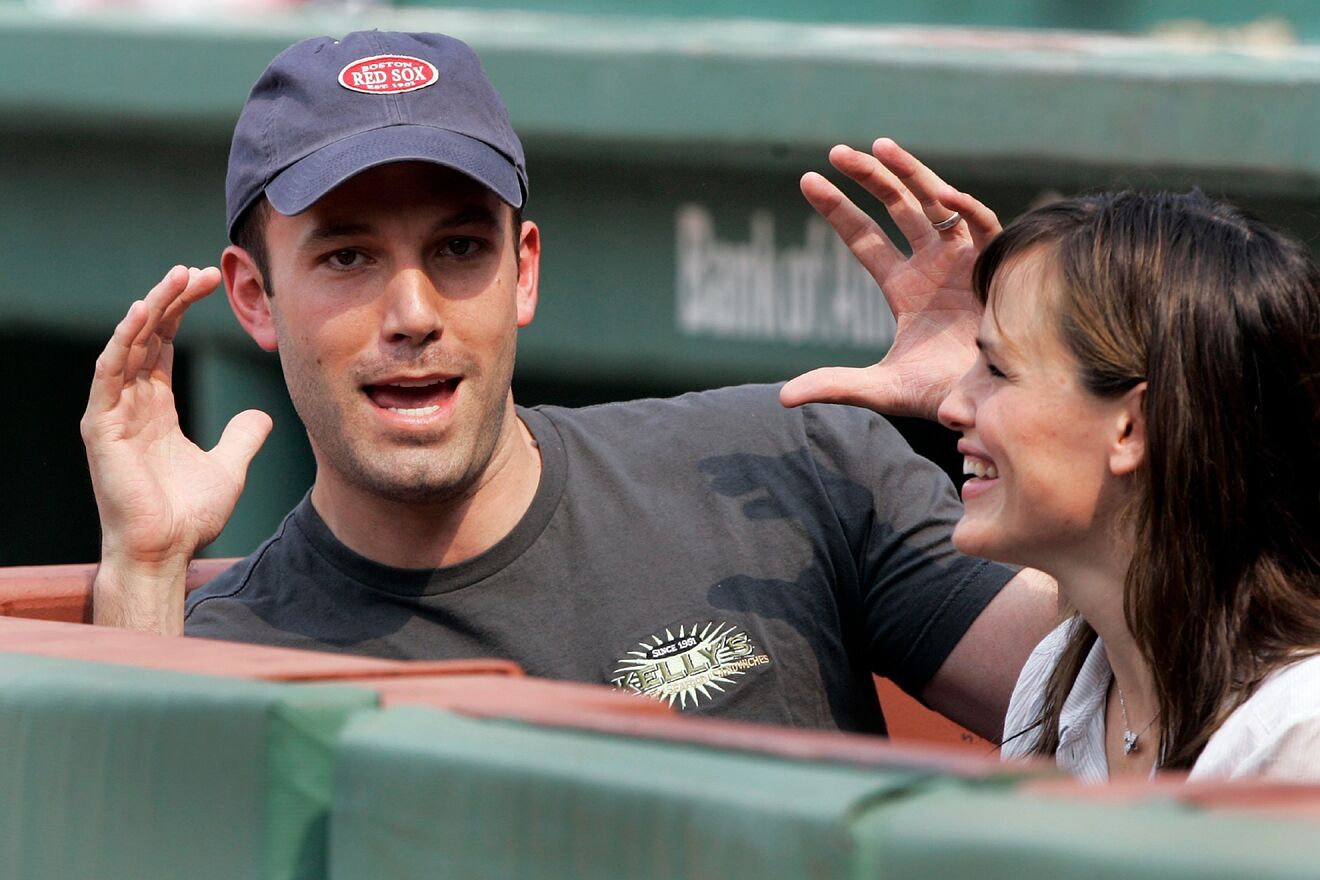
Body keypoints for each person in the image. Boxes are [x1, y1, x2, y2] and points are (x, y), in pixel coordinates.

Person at [81, 30, 1055, 737]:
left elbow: (1135, 702)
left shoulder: (783, 465)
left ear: (526, 271)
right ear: (255, 297)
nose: (413, 311)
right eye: (347, 259)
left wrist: (1024, 398)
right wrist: (145, 569)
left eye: (460, 247)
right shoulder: (217, 650)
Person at [802, 144, 1320, 777]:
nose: (949, 407)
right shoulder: (1068, 674)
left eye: (994, 368)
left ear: (1131, 426)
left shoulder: (1300, 735)